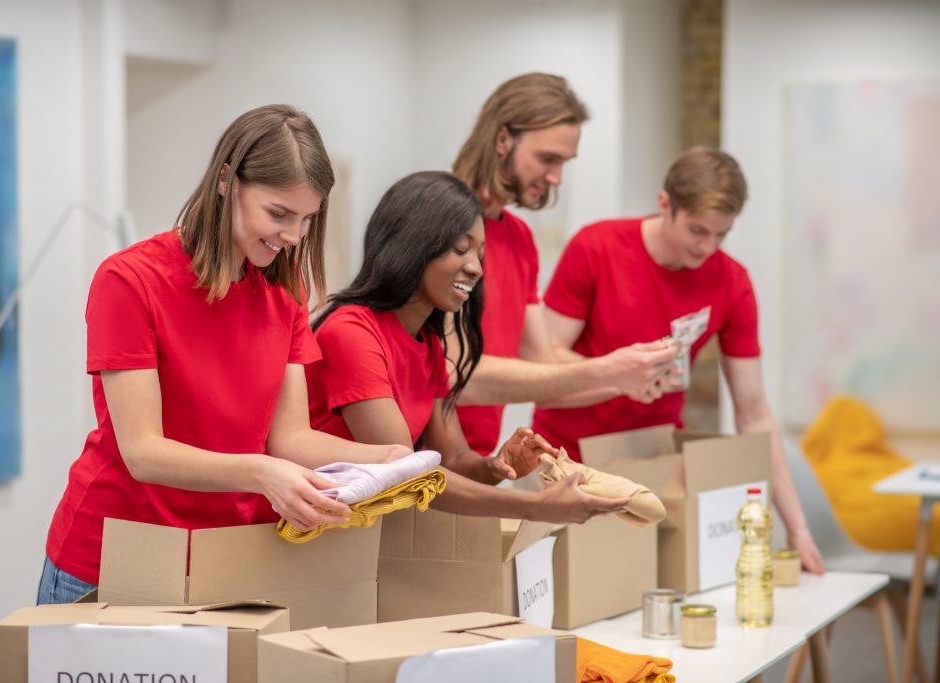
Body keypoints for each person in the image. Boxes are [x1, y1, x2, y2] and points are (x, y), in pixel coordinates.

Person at [39, 105, 408, 604]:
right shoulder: (129, 281)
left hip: (224, 556)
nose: (294, 236)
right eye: (278, 214)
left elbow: (291, 438)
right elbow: (143, 451)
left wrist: (383, 460)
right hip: (115, 554)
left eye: (306, 219)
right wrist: (259, 472)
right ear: (226, 181)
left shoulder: (285, 294)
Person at [532, 147, 826, 573]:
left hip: (650, 462)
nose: (707, 247)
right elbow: (544, 358)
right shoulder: (597, 247)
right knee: (567, 604)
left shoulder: (731, 281)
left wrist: (796, 528)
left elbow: (755, 413)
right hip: (566, 459)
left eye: (721, 235)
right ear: (665, 204)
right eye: (697, 230)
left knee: (645, 605)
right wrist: (620, 378)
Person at [306, 171, 629, 522]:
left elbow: (455, 458)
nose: (475, 268)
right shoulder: (351, 332)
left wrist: (498, 464)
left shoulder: (427, 343)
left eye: (480, 253)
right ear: (412, 246)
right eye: (460, 250)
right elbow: (407, 474)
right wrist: (537, 506)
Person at [449, 73, 681, 458]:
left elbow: (546, 367)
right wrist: (611, 372)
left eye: (563, 162)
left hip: (473, 462)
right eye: (547, 159)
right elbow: (455, 374)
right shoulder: (437, 221)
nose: (556, 177)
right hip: (413, 464)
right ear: (503, 139)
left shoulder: (519, 237)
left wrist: (627, 378)